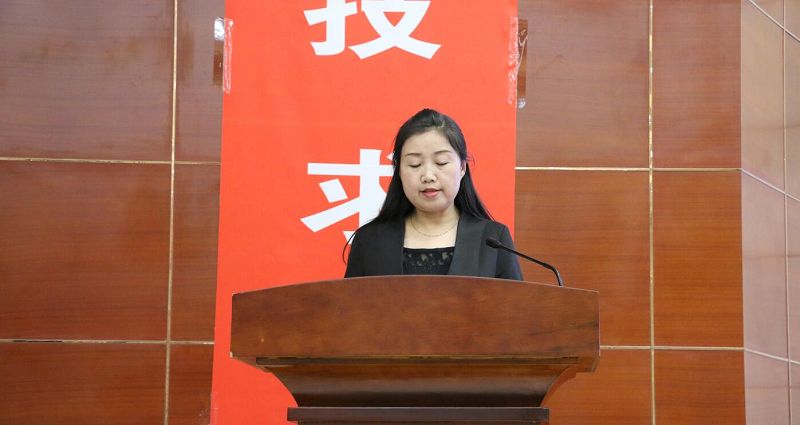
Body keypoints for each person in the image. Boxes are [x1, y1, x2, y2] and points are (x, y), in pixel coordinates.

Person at [344, 108, 523, 280]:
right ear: (399, 171)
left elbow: (514, 301)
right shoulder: (370, 240)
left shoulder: (493, 239)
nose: (428, 176)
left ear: (462, 167)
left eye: (441, 162)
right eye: (415, 164)